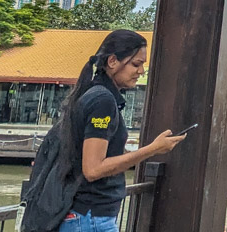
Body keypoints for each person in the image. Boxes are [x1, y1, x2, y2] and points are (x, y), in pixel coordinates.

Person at [54, 30, 188, 231]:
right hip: (91, 217)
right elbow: (93, 169)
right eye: (136, 64)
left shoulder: (95, 94)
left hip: (86, 215)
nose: (141, 71)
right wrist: (152, 149)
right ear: (113, 61)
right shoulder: (103, 101)